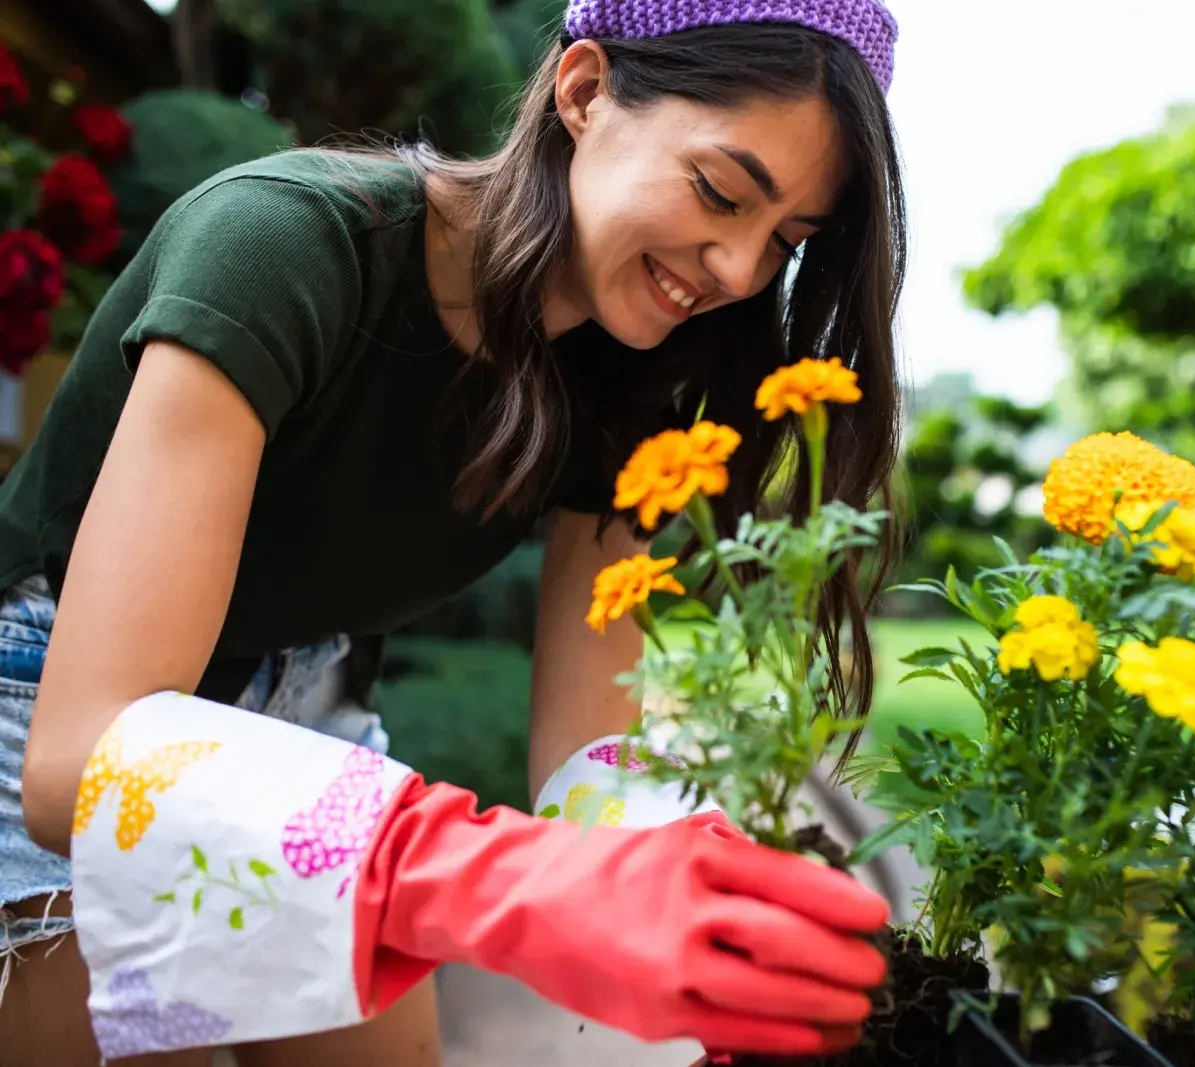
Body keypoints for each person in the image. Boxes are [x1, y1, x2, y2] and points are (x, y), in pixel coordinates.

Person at [0, 0, 906, 1063]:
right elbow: (79, 759)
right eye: (719, 191)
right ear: (582, 89)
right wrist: (506, 879)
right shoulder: (283, 243)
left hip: (303, 713)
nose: (742, 273)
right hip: (51, 697)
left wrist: (680, 866)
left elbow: (586, 735)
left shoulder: (635, 368)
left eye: (786, 243)